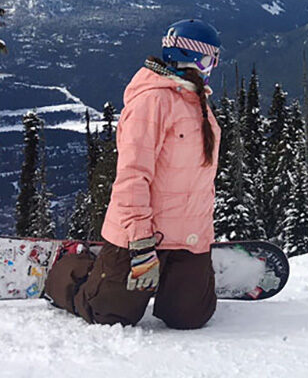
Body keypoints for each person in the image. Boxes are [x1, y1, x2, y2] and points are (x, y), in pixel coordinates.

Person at [44, 19, 222, 329]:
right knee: (109, 315)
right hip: (141, 236)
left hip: (186, 237)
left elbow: (199, 182)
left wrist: (202, 241)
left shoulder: (198, 103)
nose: (212, 67)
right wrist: (141, 243)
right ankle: (71, 267)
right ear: (193, 58)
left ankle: (177, 280)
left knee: (190, 316)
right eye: (210, 59)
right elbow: (132, 177)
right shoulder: (152, 102)